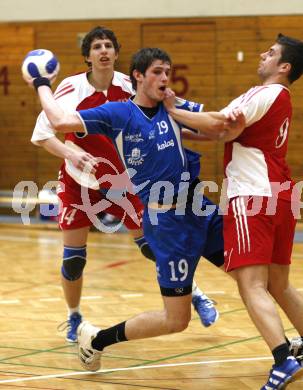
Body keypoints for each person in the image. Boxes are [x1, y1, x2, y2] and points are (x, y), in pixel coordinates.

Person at [164, 34, 303, 389]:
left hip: (252, 196)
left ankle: (282, 359)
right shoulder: (277, 98)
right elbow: (223, 135)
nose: (263, 54)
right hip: (280, 195)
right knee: (279, 284)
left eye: (271, 53)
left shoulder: (265, 93)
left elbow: (218, 125)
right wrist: (172, 128)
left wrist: (169, 110)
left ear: (284, 66)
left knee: (251, 286)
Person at [30, 27, 219, 344]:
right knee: (74, 259)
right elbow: (43, 132)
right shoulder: (70, 88)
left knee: (151, 245)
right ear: (87, 56)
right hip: (79, 182)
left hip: (121, 180)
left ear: (116, 54)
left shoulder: (129, 86)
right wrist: (70, 154)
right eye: (96, 46)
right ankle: (74, 315)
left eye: (108, 46)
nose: (103, 51)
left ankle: (194, 293)